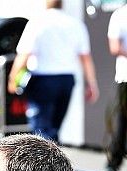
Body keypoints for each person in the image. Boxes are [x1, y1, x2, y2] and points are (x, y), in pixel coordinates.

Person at [7, 0, 98, 143]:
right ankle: (54, 161)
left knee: (41, 128)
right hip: (67, 80)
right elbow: (85, 58)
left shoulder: (37, 22)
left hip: (43, 79)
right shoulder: (75, 24)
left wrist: (13, 78)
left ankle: (44, 163)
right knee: (55, 127)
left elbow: (24, 55)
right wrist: (92, 83)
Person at [106, 3, 127, 171]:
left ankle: (114, 162)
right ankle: (114, 161)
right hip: (125, 77)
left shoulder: (119, 15)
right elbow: (115, 47)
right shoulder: (120, 15)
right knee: (122, 121)